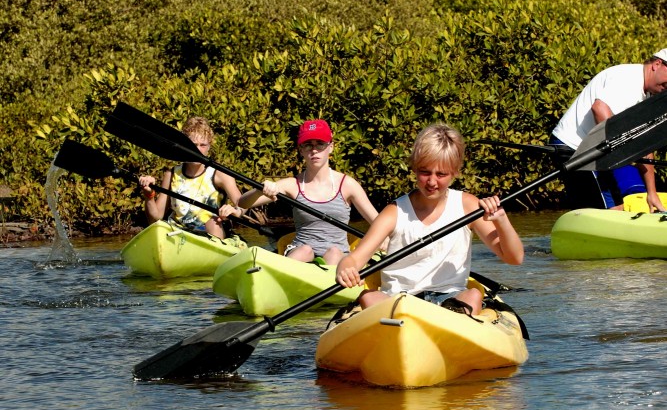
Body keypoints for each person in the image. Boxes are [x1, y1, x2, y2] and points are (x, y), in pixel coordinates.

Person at [335, 123, 524, 315]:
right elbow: (353, 260)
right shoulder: (394, 212)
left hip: (450, 297)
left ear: (455, 172)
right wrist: (345, 270)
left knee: (473, 294)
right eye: (425, 172)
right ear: (415, 168)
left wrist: (501, 220)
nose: (432, 182)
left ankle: (455, 316)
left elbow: (514, 258)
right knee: (369, 296)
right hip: (398, 299)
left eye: (441, 174)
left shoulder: (468, 206)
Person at [237, 119, 380, 264]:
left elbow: (378, 223)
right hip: (300, 251)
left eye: (320, 144)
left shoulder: (348, 185)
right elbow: (243, 203)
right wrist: (260, 189)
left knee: (334, 253)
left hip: (338, 255)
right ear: (301, 150)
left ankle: (333, 279)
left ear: (331, 147)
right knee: (305, 251)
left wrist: (385, 242)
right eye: (308, 145)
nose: (314, 150)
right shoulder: (292, 184)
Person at [551, 50, 667, 210]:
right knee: (605, 211)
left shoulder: (647, 96)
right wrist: (627, 147)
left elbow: (645, 147)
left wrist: (652, 193)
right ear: (657, 65)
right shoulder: (627, 78)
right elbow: (599, 109)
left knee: (617, 208)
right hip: (574, 148)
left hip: (597, 153)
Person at [138, 116, 245, 238]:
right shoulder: (171, 174)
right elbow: (155, 218)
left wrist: (235, 211)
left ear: (209, 146)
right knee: (161, 227)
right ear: (184, 145)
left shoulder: (220, 174)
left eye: (203, 145)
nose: (197, 150)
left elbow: (243, 204)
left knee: (213, 223)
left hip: (211, 234)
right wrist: (149, 196)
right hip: (178, 234)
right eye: (193, 145)